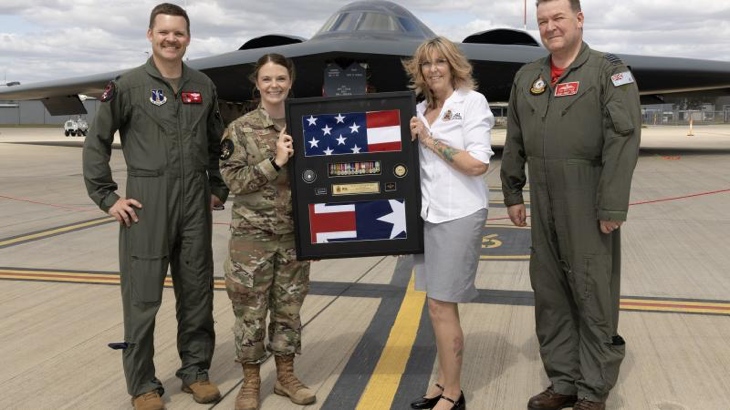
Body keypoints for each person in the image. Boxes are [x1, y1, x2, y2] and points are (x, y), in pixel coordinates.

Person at [82, 3, 228, 410]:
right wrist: (107, 196)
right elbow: (96, 142)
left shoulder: (203, 85)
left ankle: (196, 372)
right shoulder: (127, 86)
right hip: (146, 201)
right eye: (164, 32)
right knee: (142, 298)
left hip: (195, 202)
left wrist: (217, 185)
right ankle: (143, 383)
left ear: (188, 38)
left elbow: (217, 143)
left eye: (178, 33)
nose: (171, 39)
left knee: (197, 291)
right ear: (150, 35)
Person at [500, 0, 641, 409]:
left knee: (591, 291)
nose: (550, 27)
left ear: (579, 19)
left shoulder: (608, 72)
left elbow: (623, 141)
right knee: (550, 291)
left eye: (558, 18)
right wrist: (512, 190)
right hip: (542, 197)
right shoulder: (528, 76)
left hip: (587, 195)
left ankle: (593, 390)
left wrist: (612, 206)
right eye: (543, 21)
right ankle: (563, 380)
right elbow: (515, 139)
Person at [219, 53, 315, 410]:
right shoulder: (240, 129)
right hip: (252, 241)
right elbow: (234, 181)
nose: (274, 85)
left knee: (288, 310)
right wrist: (274, 161)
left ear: (290, 82)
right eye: (267, 79)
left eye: (280, 79)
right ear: (256, 84)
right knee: (250, 312)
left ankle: (286, 377)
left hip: (294, 237)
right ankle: (250, 381)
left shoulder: (305, 124)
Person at [404, 36, 495, 410]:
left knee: (443, 305)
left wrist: (429, 140)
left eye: (440, 61)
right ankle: (443, 380)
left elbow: (478, 163)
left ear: (453, 65)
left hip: (459, 212)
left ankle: (454, 394)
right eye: (426, 63)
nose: (433, 69)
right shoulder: (419, 107)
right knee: (436, 306)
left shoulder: (471, 103)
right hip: (429, 214)